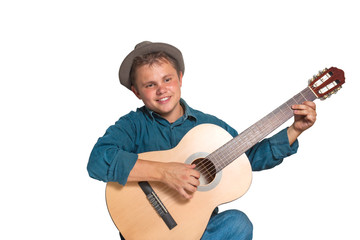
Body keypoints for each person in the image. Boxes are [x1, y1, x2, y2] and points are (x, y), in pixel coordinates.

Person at [87, 41, 317, 240]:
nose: (161, 90)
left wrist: (294, 129)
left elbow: (248, 160)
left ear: (180, 78)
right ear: (137, 92)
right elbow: (97, 161)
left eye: (167, 79)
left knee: (237, 223)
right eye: (150, 85)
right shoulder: (132, 125)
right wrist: (165, 173)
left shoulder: (210, 127)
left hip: (201, 230)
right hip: (151, 233)